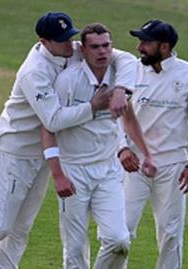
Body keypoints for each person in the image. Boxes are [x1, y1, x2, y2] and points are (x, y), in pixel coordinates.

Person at [0, 12, 137, 269]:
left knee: (20, 229)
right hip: (14, 151)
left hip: (43, 154)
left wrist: (120, 89)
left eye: (70, 37)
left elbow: (125, 58)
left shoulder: (70, 50)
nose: (69, 45)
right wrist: (92, 106)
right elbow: (53, 120)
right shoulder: (34, 71)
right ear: (44, 41)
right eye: (61, 40)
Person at [40, 23, 157, 269]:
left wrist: (146, 153)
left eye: (106, 45)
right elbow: (48, 128)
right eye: (94, 47)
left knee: (119, 241)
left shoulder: (119, 76)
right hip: (73, 170)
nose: (102, 52)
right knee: (74, 250)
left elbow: (129, 116)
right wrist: (58, 174)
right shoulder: (68, 81)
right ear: (82, 49)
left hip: (108, 171)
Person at [119, 19, 188, 269]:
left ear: (165, 47)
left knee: (170, 234)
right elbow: (116, 114)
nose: (139, 47)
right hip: (133, 163)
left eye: (146, 42)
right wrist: (122, 147)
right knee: (120, 232)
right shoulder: (132, 71)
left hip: (173, 166)